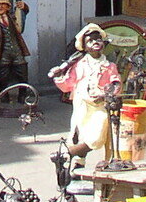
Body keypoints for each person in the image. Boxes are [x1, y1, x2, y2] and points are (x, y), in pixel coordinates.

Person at [49, 23, 122, 174]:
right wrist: (58, 76)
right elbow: (67, 84)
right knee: (79, 135)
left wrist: (107, 93)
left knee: (97, 136)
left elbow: (116, 84)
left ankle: (66, 153)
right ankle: (75, 170)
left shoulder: (109, 66)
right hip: (82, 104)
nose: (95, 42)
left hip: (100, 106)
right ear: (84, 46)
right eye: (90, 41)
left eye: (98, 39)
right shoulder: (79, 65)